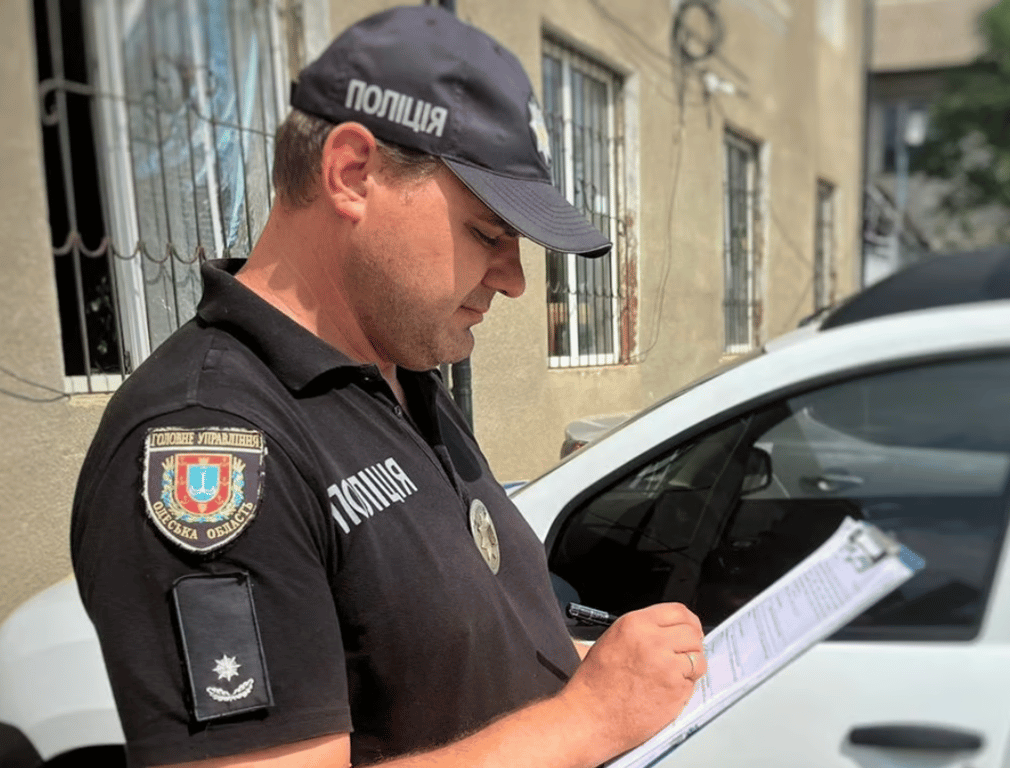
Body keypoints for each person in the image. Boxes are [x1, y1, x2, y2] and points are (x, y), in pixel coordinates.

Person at [68, 6, 706, 768]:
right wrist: (589, 719)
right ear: (351, 174)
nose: (513, 280)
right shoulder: (211, 442)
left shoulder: (401, 374)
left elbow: (452, 659)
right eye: (488, 233)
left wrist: (609, 672)